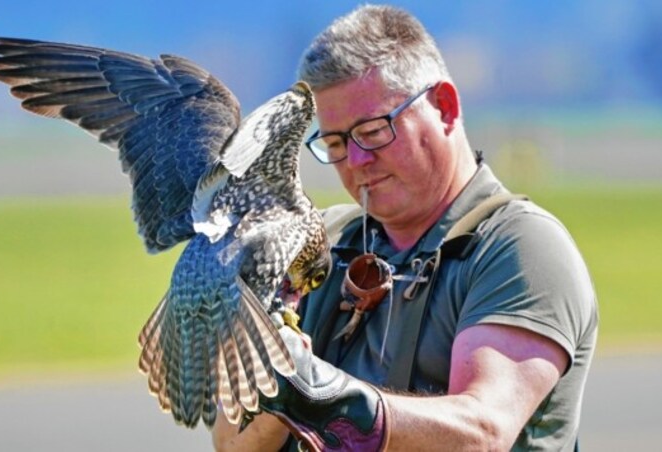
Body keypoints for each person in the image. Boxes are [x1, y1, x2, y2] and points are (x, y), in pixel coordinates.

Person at [213, 4, 598, 451]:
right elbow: (233, 443)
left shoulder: (518, 247)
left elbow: (483, 433)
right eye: (335, 143)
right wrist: (283, 384)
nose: (356, 161)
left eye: (374, 131)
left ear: (445, 107)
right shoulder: (321, 242)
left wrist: (331, 397)